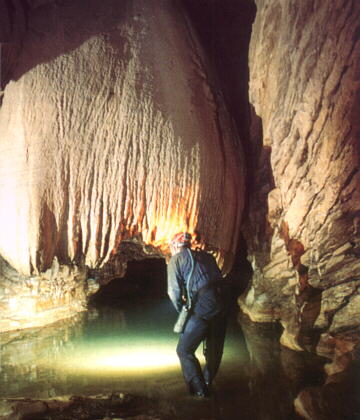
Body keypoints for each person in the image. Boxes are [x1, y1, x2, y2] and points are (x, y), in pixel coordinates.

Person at [167, 232, 228, 398]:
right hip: (223, 303)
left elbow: (173, 291)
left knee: (184, 350)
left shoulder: (176, 260)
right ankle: (208, 381)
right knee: (214, 348)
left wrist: (182, 312)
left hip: (204, 306)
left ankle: (199, 392)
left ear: (174, 246)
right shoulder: (207, 256)